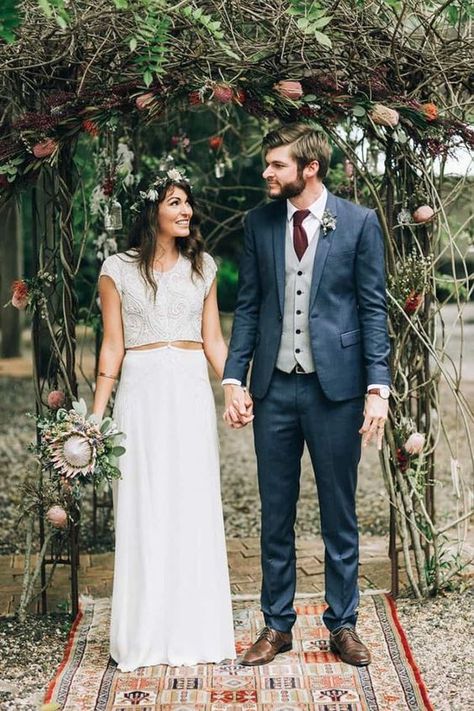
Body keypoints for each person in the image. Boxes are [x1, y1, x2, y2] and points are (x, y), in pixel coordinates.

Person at [222, 123, 391, 667]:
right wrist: (233, 380)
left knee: (339, 512)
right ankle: (277, 625)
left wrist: (377, 388)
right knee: (275, 511)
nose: (266, 173)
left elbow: (371, 309)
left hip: (335, 391)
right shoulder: (259, 223)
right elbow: (248, 306)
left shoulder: (360, 223)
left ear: (309, 168)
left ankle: (343, 624)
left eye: (276, 165)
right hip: (273, 390)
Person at [92, 170, 236, 671]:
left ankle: (198, 630)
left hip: (191, 390)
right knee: (145, 503)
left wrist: (236, 387)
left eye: (187, 203)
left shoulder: (205, 267)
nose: (185, 212)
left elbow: (214, 340)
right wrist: (95, 417)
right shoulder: (116, 269)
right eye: (175, 202)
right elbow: (112, 344)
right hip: (142, 391)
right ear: (151, 210)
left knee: (191, 501)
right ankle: (145, 633)